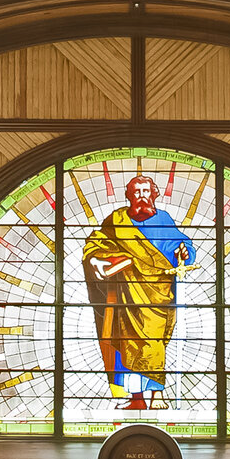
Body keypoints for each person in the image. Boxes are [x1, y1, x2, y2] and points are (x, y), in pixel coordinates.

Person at [80, 171, 197, 410]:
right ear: (129, 196)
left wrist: (184, 252)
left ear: (154, 195)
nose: (142, 196)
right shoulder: (117, 219)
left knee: (153, 344)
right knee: (126, 347)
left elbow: (179, 244)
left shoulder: (163, 219)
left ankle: (157, 396)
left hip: (157, 293)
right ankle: (137, 399)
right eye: (137, 192)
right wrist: (96, 261)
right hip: (125, 294)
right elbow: (97, 242)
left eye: (146, 192)